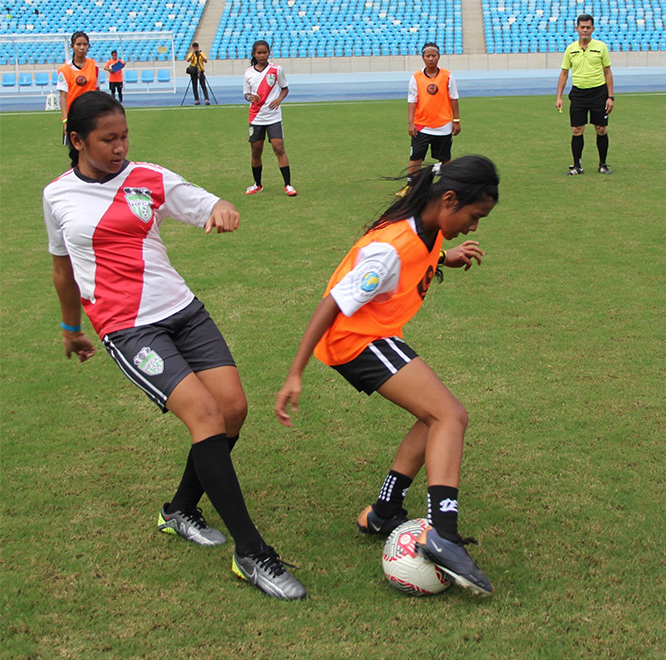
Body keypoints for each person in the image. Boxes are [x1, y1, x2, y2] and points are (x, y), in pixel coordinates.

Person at [43, 91, 305, 600]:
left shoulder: (149, 177)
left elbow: (205, 201)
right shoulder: (58, 196)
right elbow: (62, 270)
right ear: (77, 141)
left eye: (124, 137)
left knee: (232, 410)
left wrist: (223, 209)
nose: (120, 148)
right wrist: (70, 328)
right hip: (128, 327)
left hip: (183, 310)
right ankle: (252, 553)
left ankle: (179, 510)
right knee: (204, 417)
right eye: (107, 139)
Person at [275, 155, 500, 597]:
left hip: (371, 335)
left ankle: (383, 510)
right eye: (475, 217)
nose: (474, 227)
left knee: (434, 417)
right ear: (449, 199)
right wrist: (295, 372)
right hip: (355, 340)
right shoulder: (390, 248)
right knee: (450, 416)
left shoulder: (429, 224)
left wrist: (446, 259)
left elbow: (423, 253)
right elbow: (332, 303)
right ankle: (444, 534)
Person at [399, 42, 461, 196]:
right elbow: (412, 101)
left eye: (434, 55)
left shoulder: (447, 76)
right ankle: (411, 186)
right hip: (422, 125)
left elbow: (454, 98)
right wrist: (411, 123)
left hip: (443, 125)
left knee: (445, 158)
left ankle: (447, 186)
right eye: (428, 56)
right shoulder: (416, 77)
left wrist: (456, 120)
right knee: (415, 158)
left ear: (439, 57)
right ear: (423, 58)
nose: (431, 58)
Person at [555, 14, 614, 175]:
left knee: (601, 128)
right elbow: (564, 73)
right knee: (577, 129)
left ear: (593, 29)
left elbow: (607, 72)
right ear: (577, 29)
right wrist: (559, 96)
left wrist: (610, 96)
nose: (585, 30)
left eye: (588, 27)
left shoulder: (601, 47)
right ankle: (577, 166)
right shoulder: (571, 49)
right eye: (582, 27)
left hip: (598, 93)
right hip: (578, 94)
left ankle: (603, 164)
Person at [243, 40, 296, 197]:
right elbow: (246, 93)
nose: (262, 55)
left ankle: (288, 184)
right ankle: (257, 184)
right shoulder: (248, 73)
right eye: (259, 53)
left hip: (273, 117)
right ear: (254, 54)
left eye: (264, 52)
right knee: (256, 152)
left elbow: (285, 88)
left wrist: (279, 99)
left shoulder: (276, 69)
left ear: (268, 53)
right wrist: (250, 97)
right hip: (256, 117)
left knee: (279, 148)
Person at [56, 31, 99, 143]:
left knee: (92, 148)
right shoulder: (64, 70)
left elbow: (97, 90)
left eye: (85, 44)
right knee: (75, 151)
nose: (82, 48)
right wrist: (65, 120)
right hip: (74, 116)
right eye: (78, 44)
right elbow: (63, 97)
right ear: (72, 46)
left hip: (91, 115)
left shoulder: (94, 66)